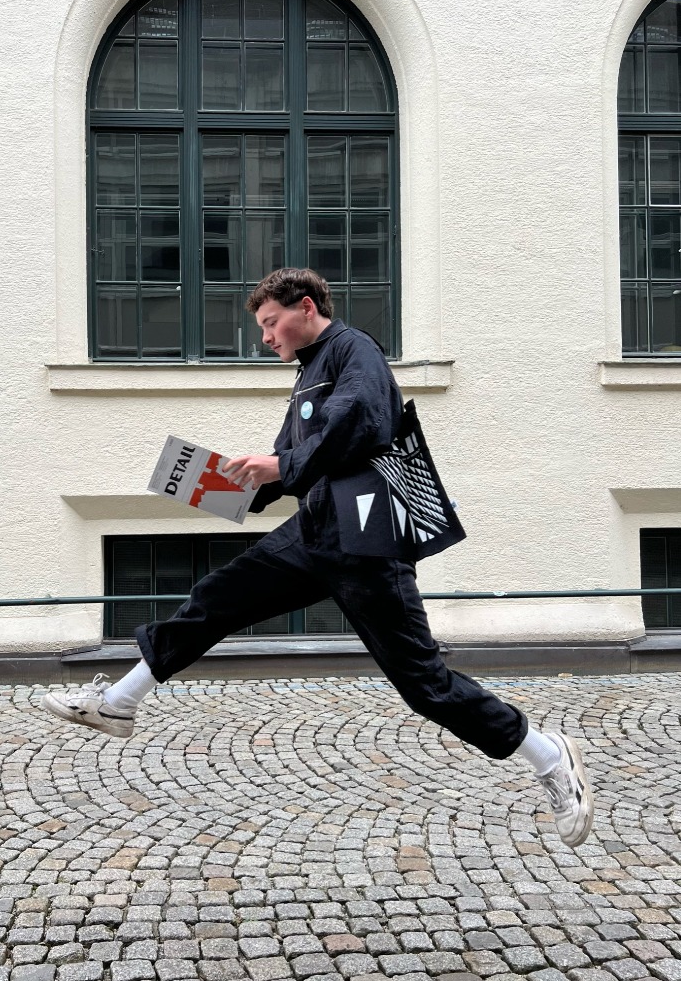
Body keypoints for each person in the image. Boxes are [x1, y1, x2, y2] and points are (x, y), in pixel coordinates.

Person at [42, 268, 594, 848]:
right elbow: (293, 464)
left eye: (270, 323)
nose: (265, 338)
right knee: (217, 597)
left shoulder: (355, 351)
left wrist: (279, 465)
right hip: (315, 532)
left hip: (367, 540)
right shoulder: (309, 371)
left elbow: (358, 424)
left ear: (305, 308)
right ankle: (119, 702)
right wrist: (214, 483)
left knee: (424, 685)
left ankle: (549, 755)